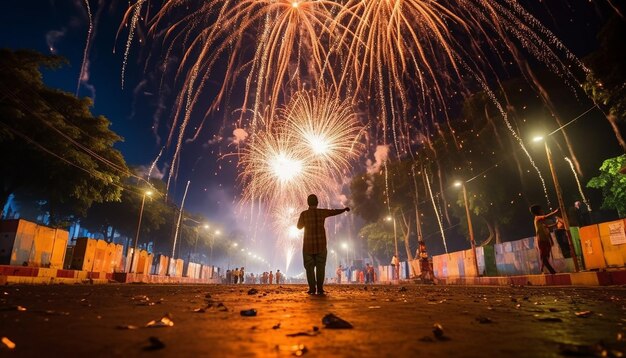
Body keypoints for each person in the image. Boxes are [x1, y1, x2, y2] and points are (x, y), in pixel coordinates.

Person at [297, 194, 350, 295]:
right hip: (321, 245)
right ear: (317, 203)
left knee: (309, 268)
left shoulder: (304, 214)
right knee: (321, 268)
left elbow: (299, 227)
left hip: (308, 246)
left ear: (308, 203)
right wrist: (344, 210)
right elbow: (334, 212)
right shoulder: (322, 212)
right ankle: (320, 289)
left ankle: (312, 289)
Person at [530, 204, 558, 274]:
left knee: (546, 255)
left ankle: (542, 269)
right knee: (544, 257)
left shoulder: (541, 222)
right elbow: (546, 217)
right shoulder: (537, 218)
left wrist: (555, 224)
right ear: (538, 211)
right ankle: (552, 271)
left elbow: (547, 227)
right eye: (541, 210)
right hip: (541, 240)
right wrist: (554, 212)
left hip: (546, 240)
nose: (542, 211)